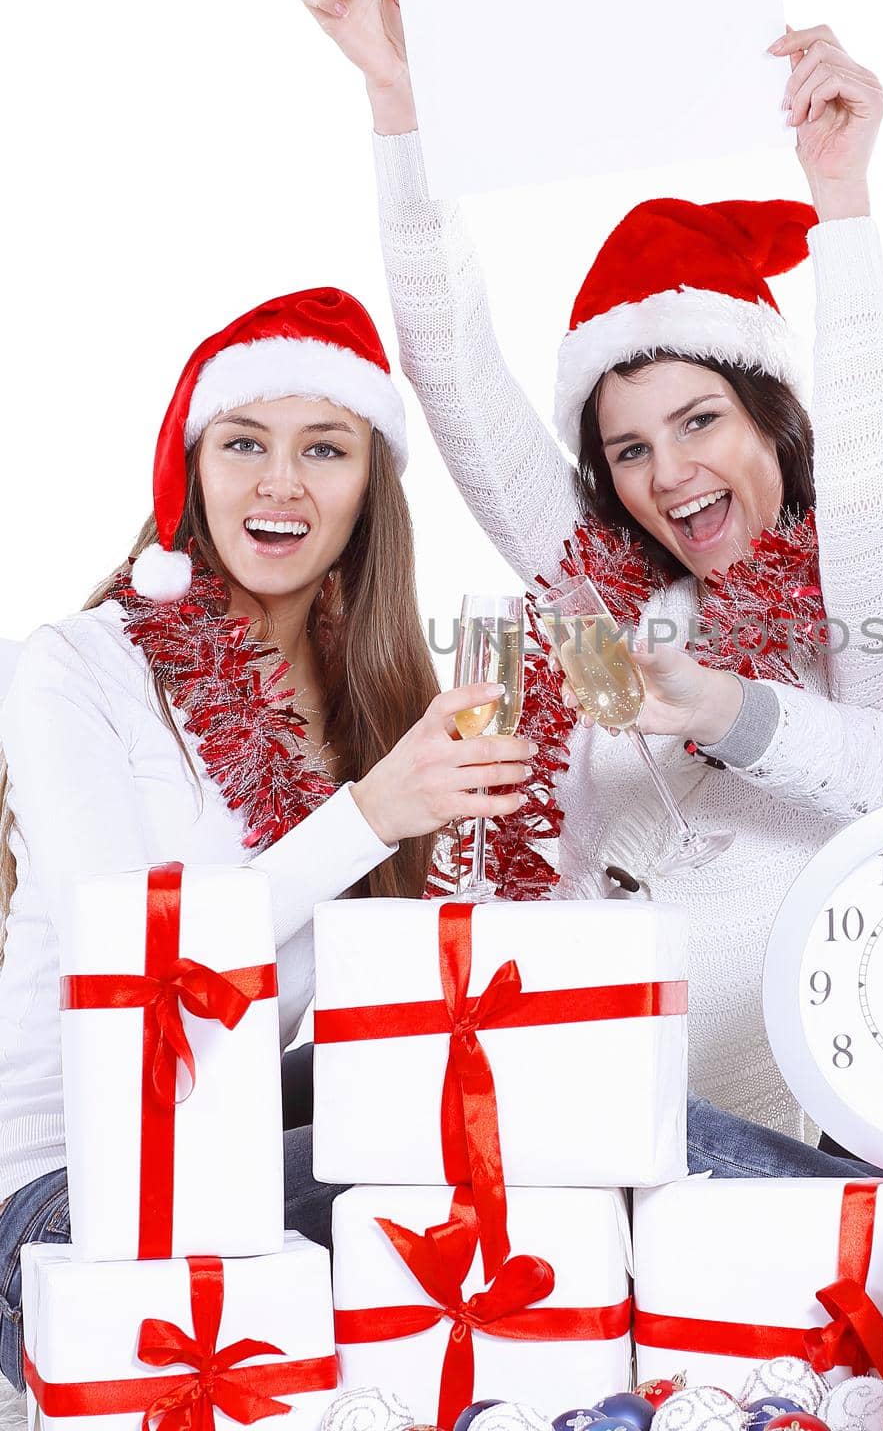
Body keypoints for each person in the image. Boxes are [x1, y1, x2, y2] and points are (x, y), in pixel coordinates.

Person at [303, 0, 883, 1151]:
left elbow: (874, 456)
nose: (669, 472)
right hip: (557, 1082)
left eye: (700, 419)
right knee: (301, 1134)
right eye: (627, 448)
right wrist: (400, 104)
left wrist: (842, 200)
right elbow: (454, 376)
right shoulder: (606, 597)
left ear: (775, 420)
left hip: (764, 1137)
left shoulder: (853, 591)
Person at [0, 287, 536, 1389]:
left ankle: (850, 1215)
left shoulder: (369, 711)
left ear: (365, 494)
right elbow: (134, 954)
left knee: (540, 1099)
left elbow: (372, 1006)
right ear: (191, 468)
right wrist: (374, 811)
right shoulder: (74, 667)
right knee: (474, 1170)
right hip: (70, 1192)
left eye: (324, 449)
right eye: (244, 441)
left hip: (237, 1131)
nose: (279, 480)